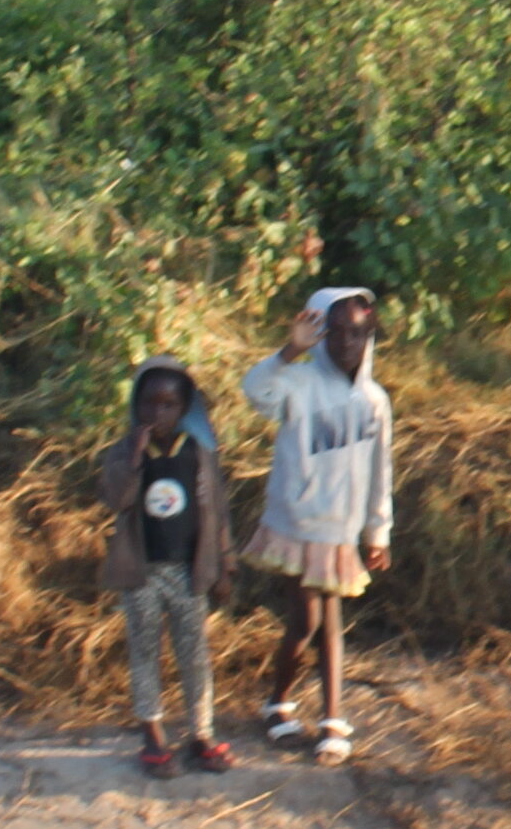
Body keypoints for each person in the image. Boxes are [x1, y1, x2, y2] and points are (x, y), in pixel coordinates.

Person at [245, 288, 396, 765]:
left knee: (326, 620)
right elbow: (255, 390)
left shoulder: (374, 400)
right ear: (320, 332)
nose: (347, 342)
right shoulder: (299, 383)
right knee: (310, 620)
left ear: (370, 336)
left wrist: (378, 532)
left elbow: (381, 472)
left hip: (341, 531)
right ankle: (283, 703)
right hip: (298, 526)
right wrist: (291, 350)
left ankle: (325, 715)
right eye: (336, 332)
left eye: (359, 333)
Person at [90, 357, 234, 775]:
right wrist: (134, 458)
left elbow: (218, 513)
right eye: (148, 404)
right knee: (145, 652)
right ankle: (152, 734)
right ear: (136, 405)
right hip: (143, 573)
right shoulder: (125, 451)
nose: (157, 413)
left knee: (195, 656)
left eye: (168, 404)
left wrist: (225, 566)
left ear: (185, 406)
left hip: (189, 573)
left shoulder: (199, 453)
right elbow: (116, 499)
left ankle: (200, 734)